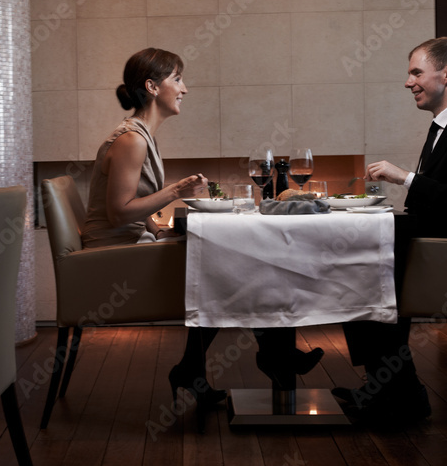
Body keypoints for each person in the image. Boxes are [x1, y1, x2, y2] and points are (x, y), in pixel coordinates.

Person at [82, 48, 323, 425]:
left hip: (128, 245)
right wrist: (176, 191)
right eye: (177, 79)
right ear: (152, 86)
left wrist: (158, 228)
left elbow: (130, 208)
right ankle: (272, 355)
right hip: (114, 258)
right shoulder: (132, 140)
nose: (185, 89)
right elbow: (118, 212)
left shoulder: (140, 135)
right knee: (230, 263)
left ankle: (200, 367)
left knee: (224, 261)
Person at [336, 36, 447, 424]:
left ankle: (396, 389)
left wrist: (406, 179)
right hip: (445, 244)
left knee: (367, 263)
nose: (408, 82)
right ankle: (390, 387)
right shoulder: (446, 127)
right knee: (360, 257)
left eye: (416, 72)